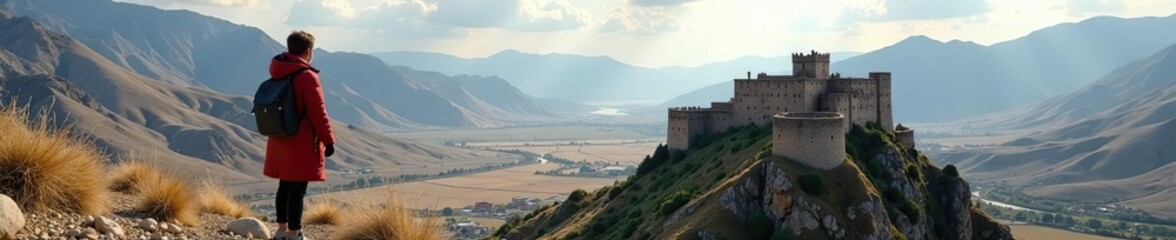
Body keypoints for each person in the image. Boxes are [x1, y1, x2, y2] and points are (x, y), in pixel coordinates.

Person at [263, 30, 335, 240]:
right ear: (308, 51)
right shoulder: (307, 76)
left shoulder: (278, 70)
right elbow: (318, 111)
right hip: (300, 141)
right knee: (298, 189)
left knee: (284, 185)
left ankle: (282, 230)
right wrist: (328, 140)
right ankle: (295, 234)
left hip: (279, 137)